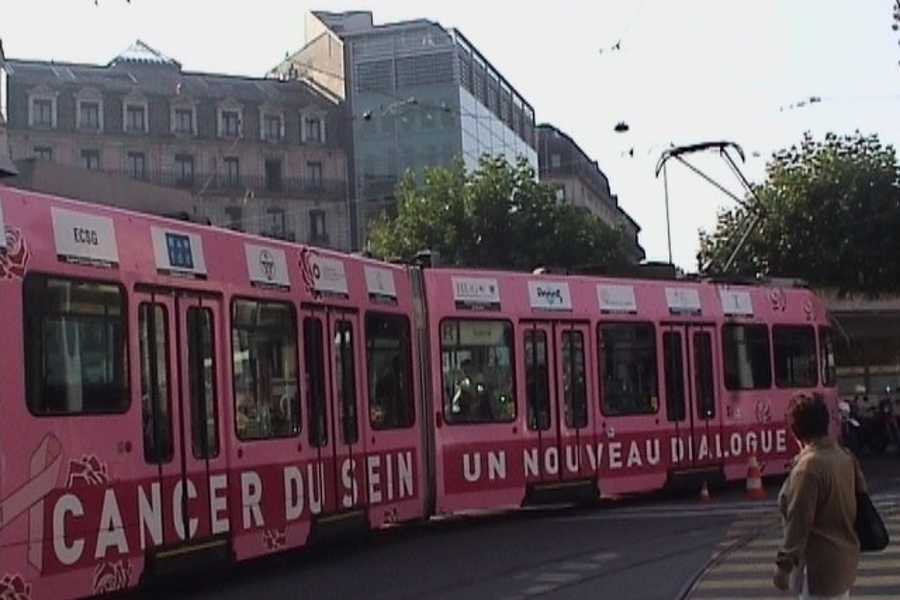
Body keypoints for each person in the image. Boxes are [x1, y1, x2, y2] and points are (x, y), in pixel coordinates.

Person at [773, 392, 865, 600]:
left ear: (796, 431)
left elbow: (799, 521)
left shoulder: (809, 468)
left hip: (817, 571)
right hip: (843, 564)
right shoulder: (844, 457)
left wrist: (784, 565)